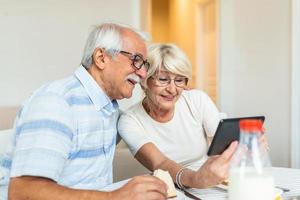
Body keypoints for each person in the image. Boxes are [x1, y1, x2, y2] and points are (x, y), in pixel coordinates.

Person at [0, 23, 168, 200]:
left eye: (144, 64)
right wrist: (115, 197)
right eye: (136, 60)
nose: (142, 73)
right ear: (101, 58)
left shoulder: (109, 108)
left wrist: (170, 94)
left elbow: (143, 120)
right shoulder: (56, 102)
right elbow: (23, 193)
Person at [117, 43, 239, 189]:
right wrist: (196, 179)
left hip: (210, 184)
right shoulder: (129, 121)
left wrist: (247, 144)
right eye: (163, 79)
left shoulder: (197, 100)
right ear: (144, 81)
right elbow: (160, 163)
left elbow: (222, 149)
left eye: (179, 80)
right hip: (166, 187)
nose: (172, 89)